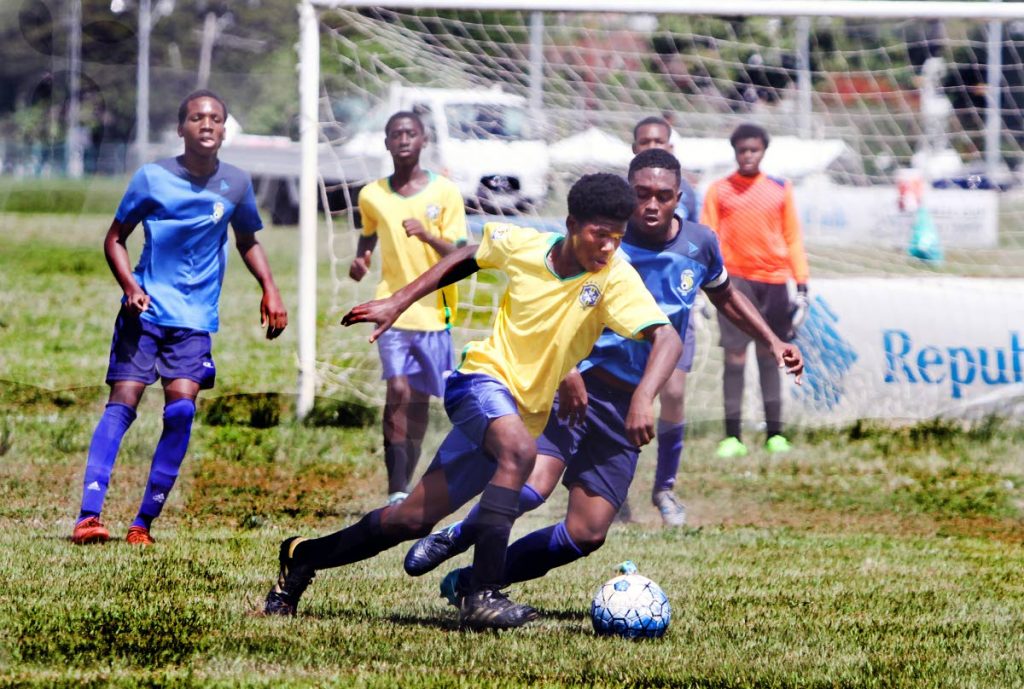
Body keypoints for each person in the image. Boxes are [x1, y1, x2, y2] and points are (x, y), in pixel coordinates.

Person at [263, 173, 682, 630]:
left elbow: (667, 338)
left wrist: (643, 396)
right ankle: (481, 594)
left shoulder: (615, 276)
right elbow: (469, 255)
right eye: (600, 235)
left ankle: (302, 557)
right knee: (520, 454)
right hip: (478, 382)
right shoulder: (525, 244)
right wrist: (399, 301)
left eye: (617, 238)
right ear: (572, 223)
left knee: (410, 520)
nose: (608, 248)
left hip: (522, 414)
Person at [402, 149, 804, 603]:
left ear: (679, 198)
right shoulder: (603, 237)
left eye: (664, 196)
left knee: (588, 532)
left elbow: (725, 295)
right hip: (576, 388)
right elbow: (556, 300)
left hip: (628, 400)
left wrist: (773, 341)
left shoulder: (700, 244)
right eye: (643, 195)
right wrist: (567, 368)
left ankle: (476, 581)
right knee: (533, 487)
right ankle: (461, 540)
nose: (652, 205)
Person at [70, 90, 288, 546]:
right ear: (181, 128)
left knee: (182, 409)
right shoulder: (152, 178)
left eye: (214, 118)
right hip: (145, 311)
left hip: (194, 320)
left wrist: (269, 288)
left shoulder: (236, 183)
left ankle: (142, 524)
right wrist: (131, 287)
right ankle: (89, 517)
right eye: (196, 117)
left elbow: (248, 239)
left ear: (224, 129)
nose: (206, 124)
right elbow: (114, 239)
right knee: (123, 402)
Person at [349, 111, 467, 506]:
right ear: (385, 143)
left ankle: (404, 482)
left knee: (417, 402)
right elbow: (367, 234)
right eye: (395, 134)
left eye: (410, 133)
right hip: (391, 307)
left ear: (423, 141)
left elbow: (461, 255)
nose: (403, 140)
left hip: (434, 312)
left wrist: (428, 235)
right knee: (397, 389)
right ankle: (395, 487)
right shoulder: (372, 195)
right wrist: (361, 259)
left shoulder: (446, 193)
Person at [700, 123, 811, 458]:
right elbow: (707, 237)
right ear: (734, 152)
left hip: (775, 282)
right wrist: (701, 286)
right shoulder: (719, 190)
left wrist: (802, 284)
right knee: (734, 358)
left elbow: (792, 237)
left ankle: (775, 434)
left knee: (771, 355)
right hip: (734, 283)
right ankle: (732, 437)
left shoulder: (780, 188)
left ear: (763, 151)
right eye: (742, 150)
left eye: (754, 150)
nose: (748, 156)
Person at [629, 115, 699, 526]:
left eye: (658, 140)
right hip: (623, 319)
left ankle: (665, 489)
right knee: (624, 398)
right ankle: (611, 489)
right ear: (633, 147)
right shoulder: (625, 197)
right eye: (643, 141)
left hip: (674, 317)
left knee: (672, 393)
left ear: (671, 146)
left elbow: (697, 245)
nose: (650, 145)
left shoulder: (685, 191)